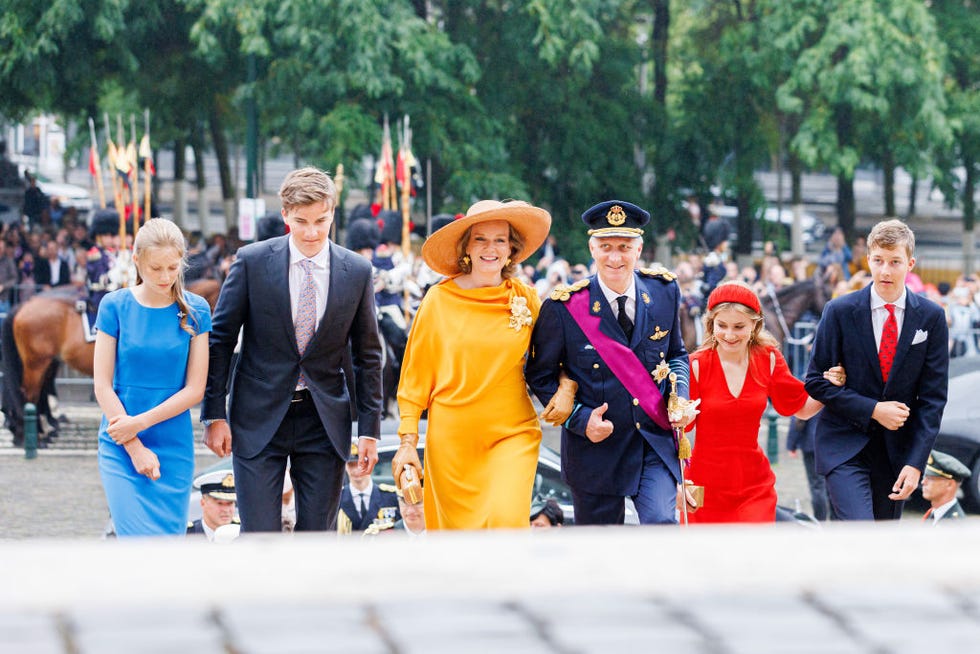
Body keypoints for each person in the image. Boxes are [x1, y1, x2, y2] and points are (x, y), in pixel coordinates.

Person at [202, 167, 384, 533]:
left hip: (324, 419)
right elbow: (220, 339)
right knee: (259, 536)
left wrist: (370, 430)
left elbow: (368, 356)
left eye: (321, 220)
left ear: (333, 211)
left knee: (318, 536)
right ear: (285, 214)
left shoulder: (357, 271)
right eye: (301, 221)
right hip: (257, 415)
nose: (312, 232)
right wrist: (213, 413)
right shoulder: (251, 262)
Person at [525, 200, 691, 525]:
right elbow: (539, 375)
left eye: (624, 247)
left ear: (639, 248)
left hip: (651, 443)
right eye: (606, 247)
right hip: (595, 452)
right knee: (598, 551)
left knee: (662, 525)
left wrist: (679, 396)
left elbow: (676, 354)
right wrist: (579, 419)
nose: (615, 257)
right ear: (592, 247)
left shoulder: (664, 291)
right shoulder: (564, 307)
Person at [393, 199, 552, 530]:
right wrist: (407, 441)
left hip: (513, 432)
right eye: (480, 238)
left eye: (499, 240)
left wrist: (568, 388)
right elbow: (414, 379)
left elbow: (553, 360)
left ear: (511, 248)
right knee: (461, 548)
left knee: (507, 521)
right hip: (452, 442)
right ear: (466, 246)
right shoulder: (438, 301)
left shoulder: (525, 297)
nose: (490, 248)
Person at [805, 219, 949, 521]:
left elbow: (933, 400)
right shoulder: (839, 311)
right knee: (861, 530)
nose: (885, 270)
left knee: (882, 544)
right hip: (844, 446)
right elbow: (816, 382)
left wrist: (916, 462)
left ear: (910, 263)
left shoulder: (932, 318)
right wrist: (873, 409)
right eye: (878, 261)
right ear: (868, 259)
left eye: (895, 262)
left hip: (896, 453)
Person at [684, 282, 841, 523]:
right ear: (711, 324)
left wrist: (829, 386)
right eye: (721, 325)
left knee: (754, 556)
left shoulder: (767, 359)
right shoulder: (695, 365)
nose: (729, 334)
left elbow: (801, 408)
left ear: (755, 324)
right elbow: (679, 429)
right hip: (704, 487)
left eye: (739, 326)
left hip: (753, 486)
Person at [93, 218, 212, 537]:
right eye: (155, 268)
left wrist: (141, 423)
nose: (165, 277)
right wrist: (133, 443)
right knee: (135, 542)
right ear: (137, 261)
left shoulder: (197, 310)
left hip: (173, 443)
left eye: (173, 268)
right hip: (120, 439)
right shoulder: (114, 306)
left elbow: (195, 390)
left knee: (167, 548)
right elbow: (102, 385)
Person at [338, 442, 399, 532]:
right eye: (351, 465)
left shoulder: (391, 497)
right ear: (346, 466)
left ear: (371, 463)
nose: (356, 470)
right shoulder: (337, 499)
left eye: (361, 464)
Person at [787, 416, 831, 521]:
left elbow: (798, 418)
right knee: (830, 482)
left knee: (817, 486)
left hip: (812, 444)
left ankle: (820, 520)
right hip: (830, 443)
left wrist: (791, 445)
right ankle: (834, 518)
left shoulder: (810, 398)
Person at [187, 470, 239, 541]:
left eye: (230, 503)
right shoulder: (187, 535)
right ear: (203, 503)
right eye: (219, 503)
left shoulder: (243, 532)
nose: (226, 510)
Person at [920, 450, 970, 523]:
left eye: (930, 478)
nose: (923, 482)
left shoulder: (955, 525)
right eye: (925, 477)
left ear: (949, 485)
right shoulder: (932, 514)